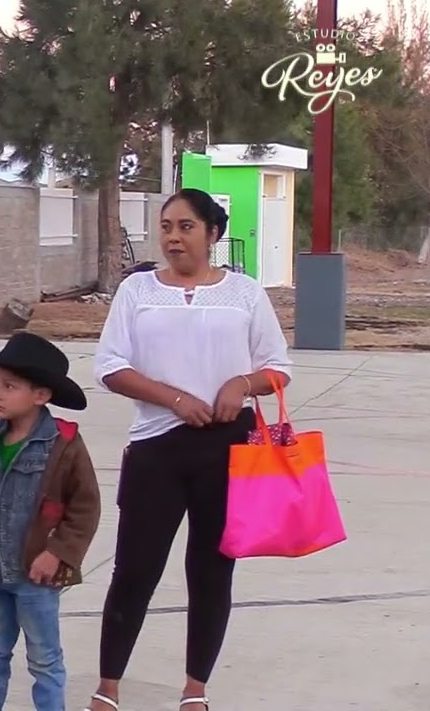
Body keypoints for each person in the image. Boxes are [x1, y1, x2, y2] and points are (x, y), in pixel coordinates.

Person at [84, 188, 293, 711]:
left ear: (213, 233)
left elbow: (278, 368)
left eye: (186, 227)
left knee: (211, 569)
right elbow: (109, 367)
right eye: (166, 227)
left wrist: (241, 384)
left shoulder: (245, 294)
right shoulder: (137, 292)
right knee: (134, 569)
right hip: (157, 448)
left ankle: (195, 688)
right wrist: (173, 398)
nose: (173, 237)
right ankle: (108, 686)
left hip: (228, 450)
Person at [0, 332, 101, 711]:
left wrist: (58, 553)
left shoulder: (64, 444)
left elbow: (86, 507)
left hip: (36, 578)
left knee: (44, 660)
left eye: (9, 386)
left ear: (41, 395)